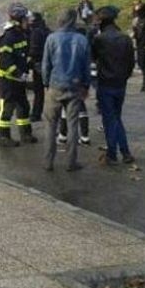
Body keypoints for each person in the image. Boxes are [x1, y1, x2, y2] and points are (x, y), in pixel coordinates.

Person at [43, 9, 91, 172]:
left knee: (50, 125)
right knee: (73, 125)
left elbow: (46, 64)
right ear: (73, 20)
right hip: (75, 87)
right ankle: (71, 163)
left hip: (55, 86)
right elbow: (86, 66)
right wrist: (86, 85)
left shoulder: (51, 38)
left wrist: (46, 83)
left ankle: (48, 163)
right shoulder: (82, 39)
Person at [92, 6, 136, 165]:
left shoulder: (99, 39)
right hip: (120, 84)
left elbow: (92, 58)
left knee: (110, 119)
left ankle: (113, 153)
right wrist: (124, 76)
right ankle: (124, 152)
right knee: (116, 117)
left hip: (105, 83)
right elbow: (131, 62)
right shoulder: (125, 38)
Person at [0, 3, 36, 147]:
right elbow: (6, 61)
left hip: (18, 78)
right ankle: (3, 137)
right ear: (18, 21)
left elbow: (24, 54)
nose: (28, 22)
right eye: (25, 19)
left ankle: (26, 134)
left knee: (23, 106)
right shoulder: (9, 36)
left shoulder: (23, 34)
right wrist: (19, 74)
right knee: (7, 108)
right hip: (7, 78)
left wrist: (29, 65)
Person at [27, 12, 50, 122]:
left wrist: (29, 61)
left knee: (39, 91)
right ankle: (59, 115)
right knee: (51, 90)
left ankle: (36, 114)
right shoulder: (47, 30)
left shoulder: (36, 32)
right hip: (49, 64)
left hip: (39, 64)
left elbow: (34, 50)